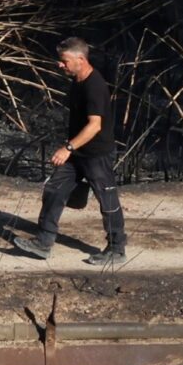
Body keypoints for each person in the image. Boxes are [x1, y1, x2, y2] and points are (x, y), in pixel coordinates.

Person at [12, 37, 126, 268]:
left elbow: (95, 126)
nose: (59, 65)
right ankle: (43, 243)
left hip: (97, 154)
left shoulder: (95, 86)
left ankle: (116, 249)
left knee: (108, 200)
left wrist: (68, 147)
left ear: (81, 59)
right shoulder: (77, 81)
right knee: (55, 189)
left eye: (64, 61)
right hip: (78, 152)